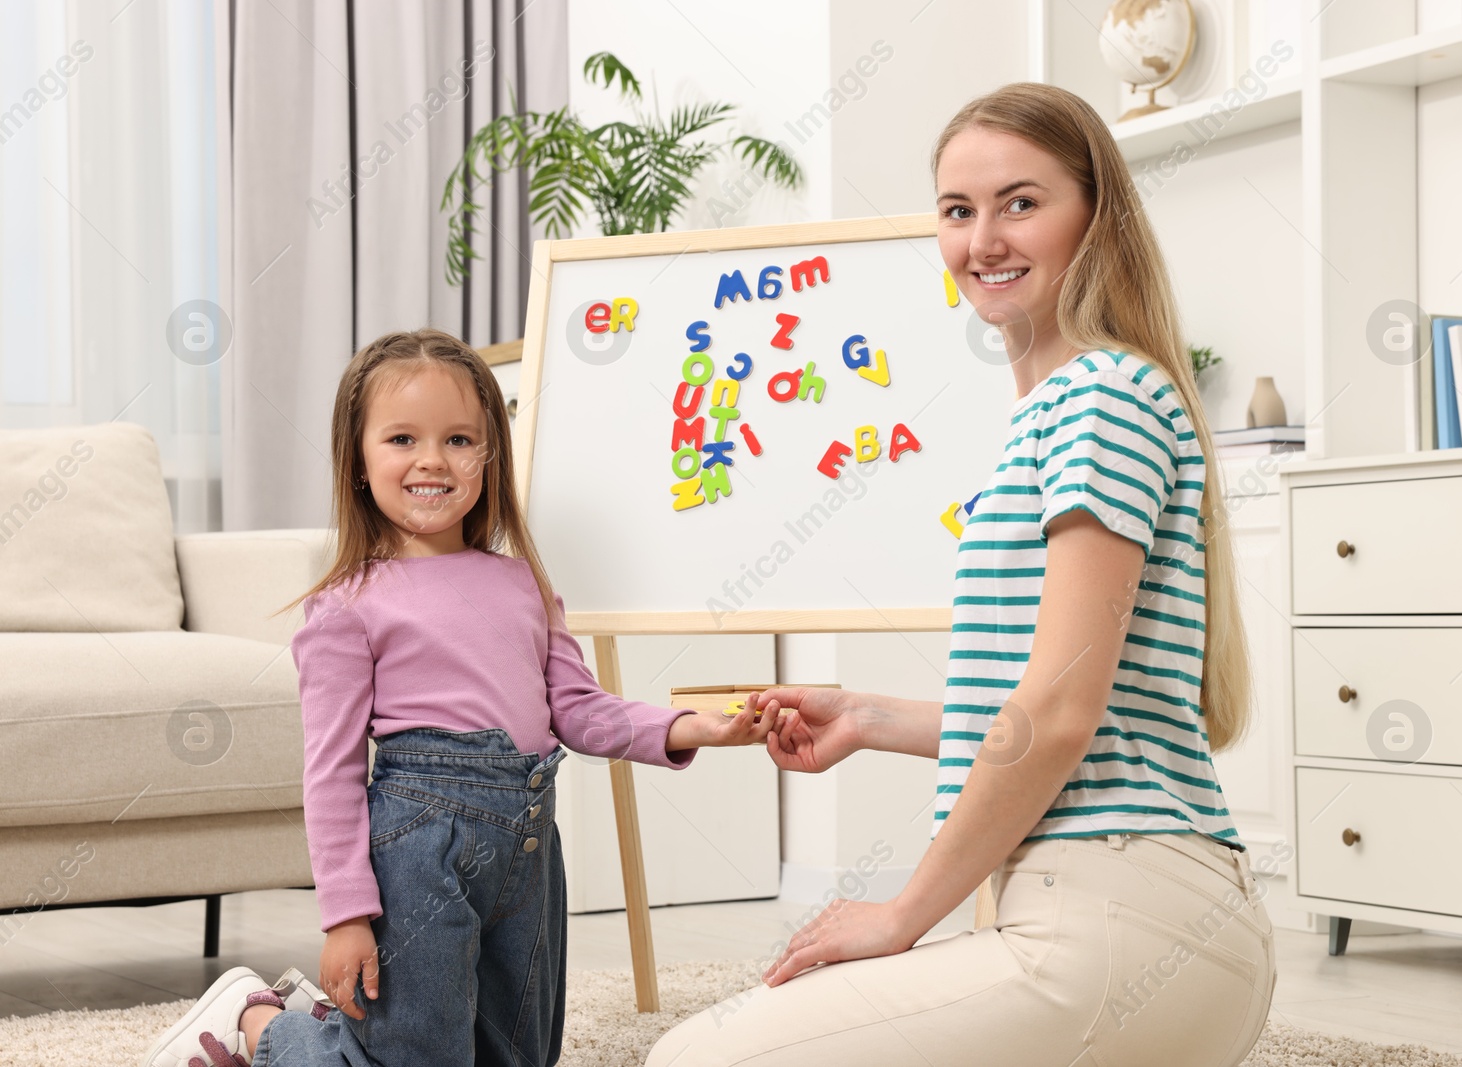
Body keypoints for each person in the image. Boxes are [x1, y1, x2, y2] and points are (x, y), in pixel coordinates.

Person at [647, 82, 1277, 1067]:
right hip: (1136, 919)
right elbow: (1072, 700)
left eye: (1020, 202)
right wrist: (866, 715)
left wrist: (901, 912)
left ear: (1096, 216)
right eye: (957, 210)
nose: (983, 238)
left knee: (699, 1059)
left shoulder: (1100, 397)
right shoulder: (1063, 407)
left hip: (1120, 922)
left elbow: (1059, 716)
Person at [141, 328, 777, 1067]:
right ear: (359, 460)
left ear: (489, 455)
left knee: (520, 1054)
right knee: (415, 1059)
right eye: (402, 437)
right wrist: (346, 913)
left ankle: (330, 1028)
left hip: (529, 852)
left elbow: (579, 708)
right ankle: (262, 1027)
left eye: (459, 438)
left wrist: (692, 726)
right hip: (418, 854)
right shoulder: (350, 606)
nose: (432, 460)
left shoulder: (524, 586)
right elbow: (331, 772)